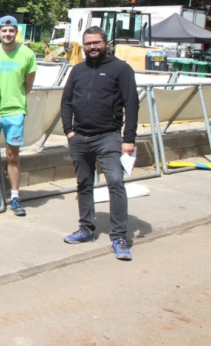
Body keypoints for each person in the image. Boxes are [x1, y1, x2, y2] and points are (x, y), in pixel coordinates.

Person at [61, 27, 138, 260]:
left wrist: (129, 139)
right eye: (87, 44)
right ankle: (86, 229)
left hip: (109, 137)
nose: (92, 47)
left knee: (115, 182)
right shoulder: (78, 70)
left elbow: (132, 104)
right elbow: (66, 101)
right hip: (80, 137)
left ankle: (119, 236)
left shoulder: (121, 69)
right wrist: (69, 131)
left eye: (96, 43)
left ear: (106, 43)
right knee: (83, 183)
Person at [0, 15, 37, 216]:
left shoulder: (27, 54)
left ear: (16, 32)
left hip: (14, 112)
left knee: (13, 155)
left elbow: (27, 86)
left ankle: (14, 197)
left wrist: (15, 101)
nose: (7, 33)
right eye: (4, 30)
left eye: (11, 30)